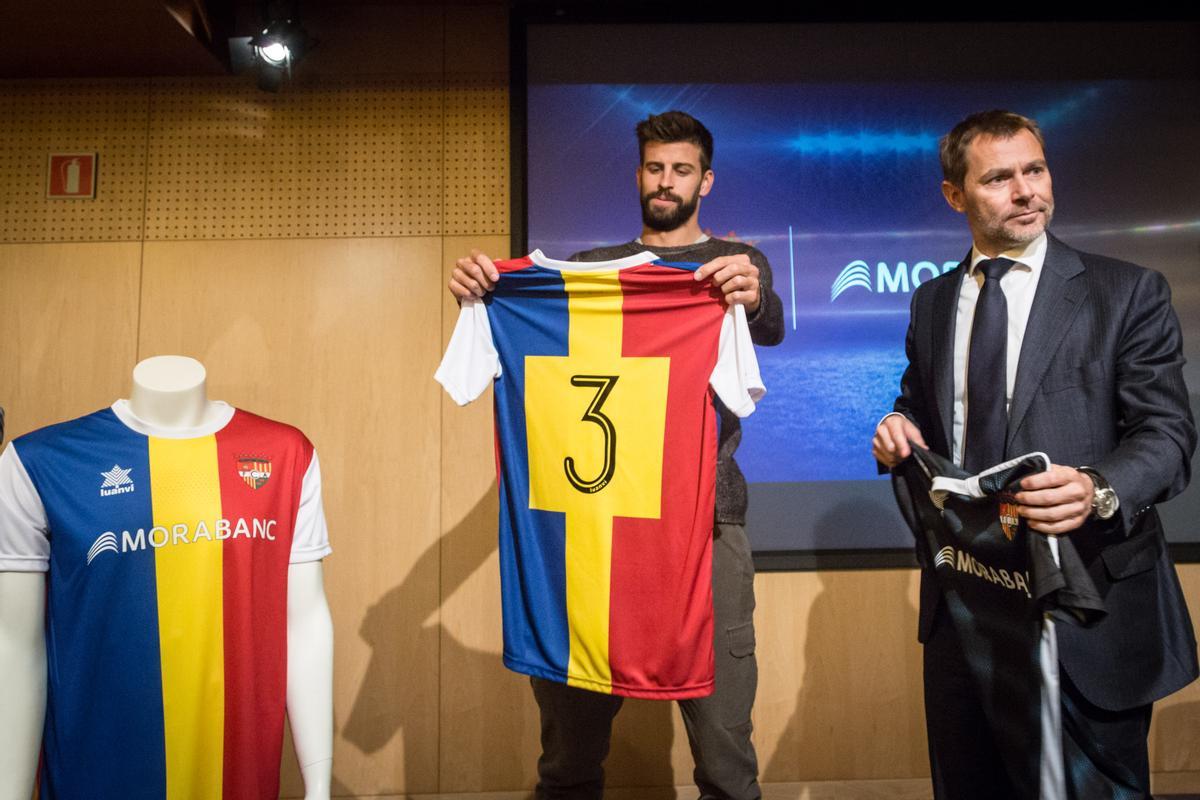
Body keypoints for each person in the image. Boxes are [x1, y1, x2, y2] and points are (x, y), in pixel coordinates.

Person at [450, 110, 783, 800]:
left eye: (682, 170)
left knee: (725, 753)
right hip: (593, 528)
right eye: (655, 168)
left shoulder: (733, 267)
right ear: (638, 176)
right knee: (568, 753)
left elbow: (770, 321)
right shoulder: (589, 272)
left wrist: (747, 298)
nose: (667, 182)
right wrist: (486, 292)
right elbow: (529, 347)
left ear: (706, 180)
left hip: (707, 525)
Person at [872, 109, 1198, 798]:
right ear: (955, 195)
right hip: (968, 612)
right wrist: (900, 430)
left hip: (1087, 610)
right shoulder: (931, 302)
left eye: (1035, 170)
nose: (1026, 192)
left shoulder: (1126, 292)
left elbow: (1167, 435)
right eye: (999, 178)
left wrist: (1097, 486)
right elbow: (924, 413)